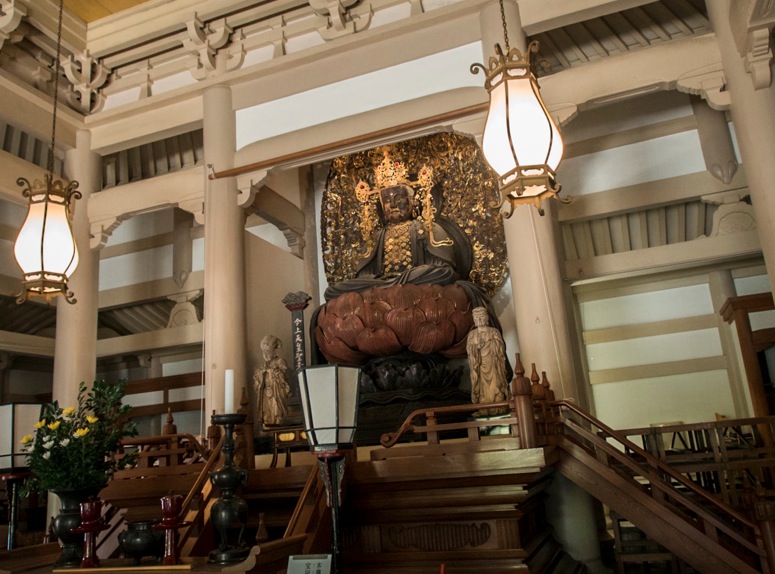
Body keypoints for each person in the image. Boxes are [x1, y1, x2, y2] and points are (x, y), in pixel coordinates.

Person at [323, 183, 461, 301]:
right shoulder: (376, 237)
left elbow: (445, 270)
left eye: (399, 198)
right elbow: (364, 275)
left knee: (441, 276)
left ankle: (394, 286)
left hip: (415, 282)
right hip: (383, 284)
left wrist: (406, 277)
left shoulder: (428, 228)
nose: (393, 204)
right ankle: (392, 286)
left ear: (412, 201)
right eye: (387, 200)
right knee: (333, 291)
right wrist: (382, 282)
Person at [466, 307, 510, 416]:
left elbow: (501, 347)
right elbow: (469, 350)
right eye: (477, 317)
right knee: (482, 387)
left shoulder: (493, 332)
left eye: (481, 316)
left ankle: (500, 406)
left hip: (494, 363)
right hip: (479, 365)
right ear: (474, 320)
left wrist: (491, 344)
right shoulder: (472, 334)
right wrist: (476, 348)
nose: (480, 319)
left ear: (487, 318)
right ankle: (484, 409)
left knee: (497, 384)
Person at [253, 335, 291, 427]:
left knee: (277, 411)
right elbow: (257, 380)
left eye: (268, 352)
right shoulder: (262, 367)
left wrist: (271, 371)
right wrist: (261, 373)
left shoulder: (280, 361)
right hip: (266, 394)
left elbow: (283, 376)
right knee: (266, 413)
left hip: (276, 393)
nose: (266, 355)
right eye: (264, 352)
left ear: (273, 352)